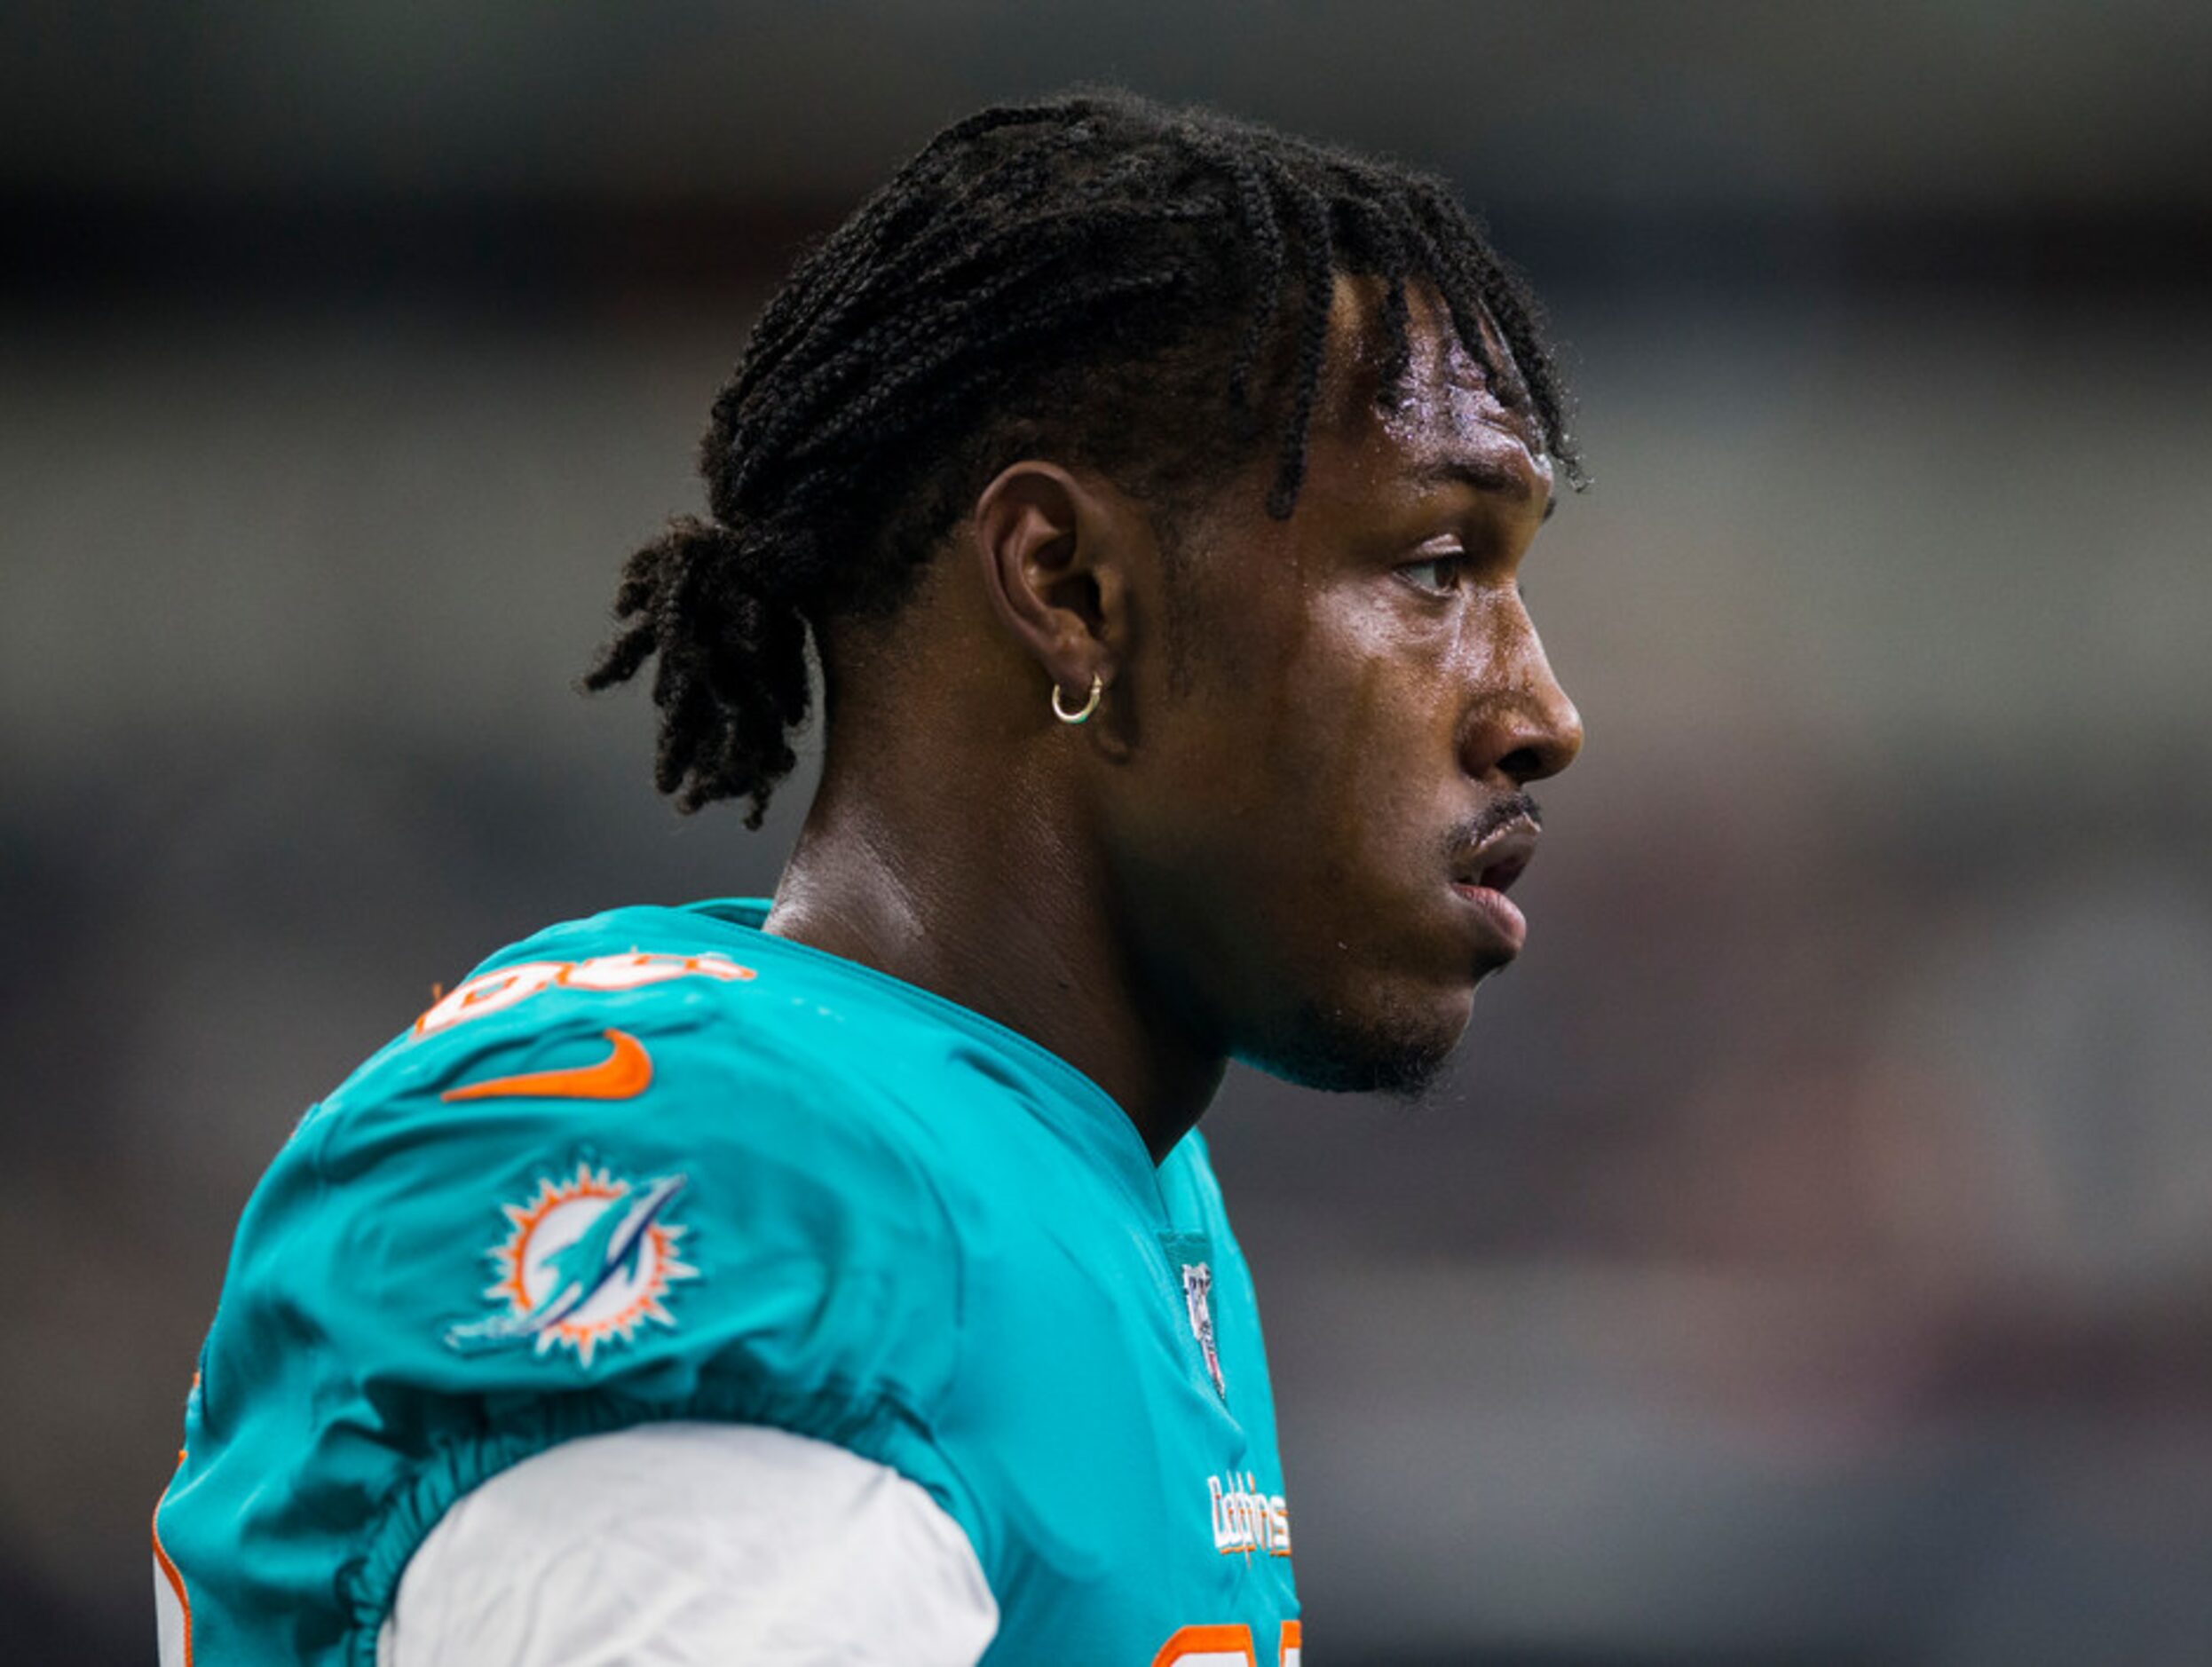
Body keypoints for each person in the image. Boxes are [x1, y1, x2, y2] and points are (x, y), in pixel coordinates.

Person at [152, 90, 1583, 1666]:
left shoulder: (1095, 1171)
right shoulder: (753, 1191)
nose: (1542, 714)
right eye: (1439, 567)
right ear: (1071, 588)